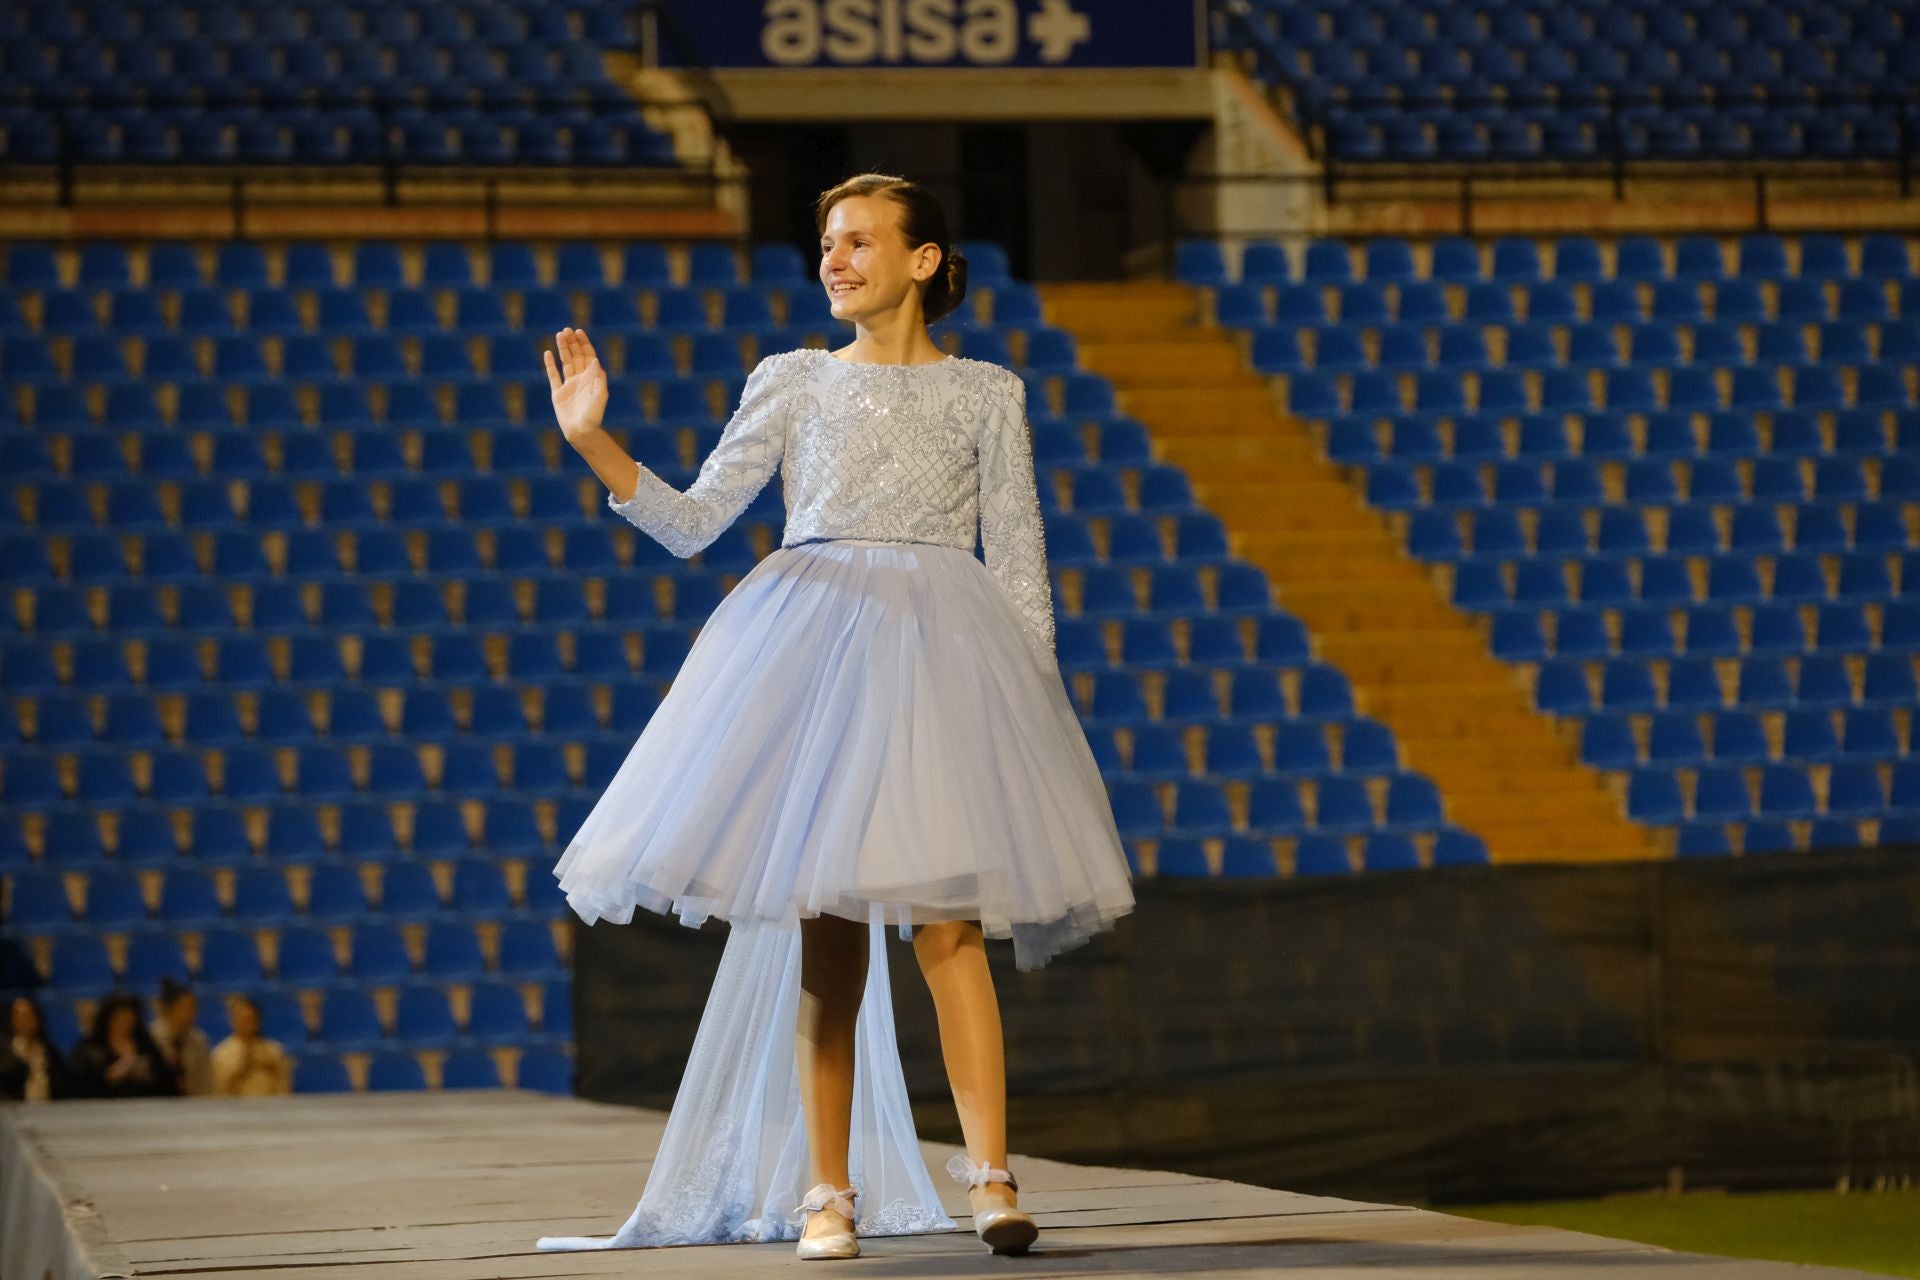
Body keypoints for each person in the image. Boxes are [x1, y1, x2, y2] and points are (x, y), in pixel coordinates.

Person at [534, 173, 1134, 1260]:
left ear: (922, 260)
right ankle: (826, 1190)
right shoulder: (795, 380)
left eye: (859, 240)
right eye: (825, 242)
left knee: (950, 926)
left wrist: (1034, 710)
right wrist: (594, 441)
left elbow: (1024, 562)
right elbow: (696, 520)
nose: (833, 258)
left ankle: (992, 1177)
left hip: (946, 655)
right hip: (814, 650)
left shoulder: (989, 392)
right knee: (829, 930)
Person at [68, 992, 178, 1099]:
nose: (124, 1024)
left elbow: (165, 1080)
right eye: (119, 1019)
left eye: (129, 1019)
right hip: (104, 1109)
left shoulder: (146, 1044)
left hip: (144, 1107)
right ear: (107, 1019)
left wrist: (150, 1074)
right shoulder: (90, 1049)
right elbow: (83, 1086)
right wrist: (115, 1073)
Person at [210, 994, 292, 1097]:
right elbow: (218, 1090)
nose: (246, 1023)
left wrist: (272, 1067)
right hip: (233, 1109)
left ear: (258, 1020)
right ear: (233, 1021)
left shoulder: (274, 1051)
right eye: (241, 1019)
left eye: (250, 1019)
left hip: (271, 1108)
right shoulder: (220, 1054)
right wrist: (239, 1069)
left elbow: (284, 1086)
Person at [148, 977, 213, 1096]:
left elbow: (204, 1082)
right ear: (169, 1008)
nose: (191, 1013)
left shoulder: (199, 1040)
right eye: (184, 1007)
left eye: (193, 1007)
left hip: (191, 1106)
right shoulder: (150, 1038)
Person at [0, 994, 71, 1101]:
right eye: (18, 1015)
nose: (23, 1020)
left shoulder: (49, 1051)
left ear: (37, 1018)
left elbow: (63, 1087)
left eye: (28, 1015)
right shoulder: (4, 1051)